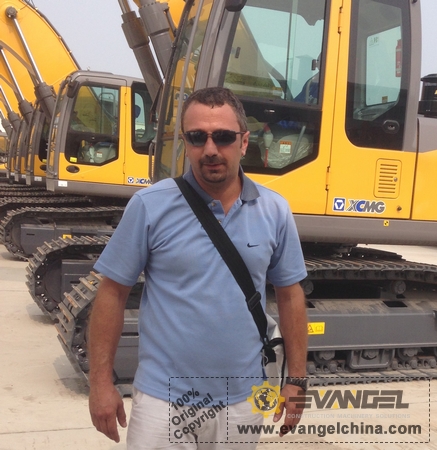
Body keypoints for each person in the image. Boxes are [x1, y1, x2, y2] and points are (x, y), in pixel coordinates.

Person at [88, 87, 309, 449]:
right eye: (197, 137)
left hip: (243, 401)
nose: (210, 149)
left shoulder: (274, 210)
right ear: (185, 143)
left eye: (223, 137)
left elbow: (290, 295)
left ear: (244, 142)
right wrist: (99, 383)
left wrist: (296, 380)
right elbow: (112, 293)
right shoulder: (150, 206)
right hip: (163, 402)